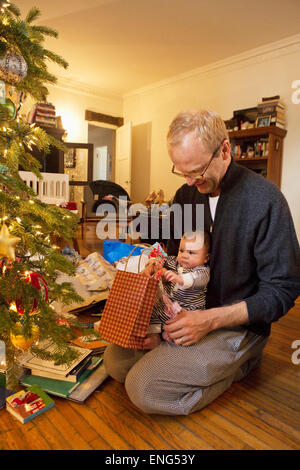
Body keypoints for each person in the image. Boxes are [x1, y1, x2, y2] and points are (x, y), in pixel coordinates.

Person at [104, 109, 300, 415]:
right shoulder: (186, 195)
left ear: (224, 149)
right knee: (114, 363)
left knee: (142, 388)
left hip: (236, 325)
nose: (190, 181)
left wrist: (209, 321)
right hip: (184, 310)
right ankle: (187, 363)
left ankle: (242, 363)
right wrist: (155, 267)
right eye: (181, 171)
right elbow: (172, 256)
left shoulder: (265, 200)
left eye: (196, 170)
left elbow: (283, 291)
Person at [144, 230, 210, 350]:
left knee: (182, 330)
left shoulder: (202, 271)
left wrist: (179, 279)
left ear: (206, 258)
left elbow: (194, 279)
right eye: (181, 250)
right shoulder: (174, 262)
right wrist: (155, 264)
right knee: (149, 309)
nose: (184, 255)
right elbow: (163, 262)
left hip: (185, 311)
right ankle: (154, 336)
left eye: (191, 252)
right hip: (165, 306)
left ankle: (173, 338)